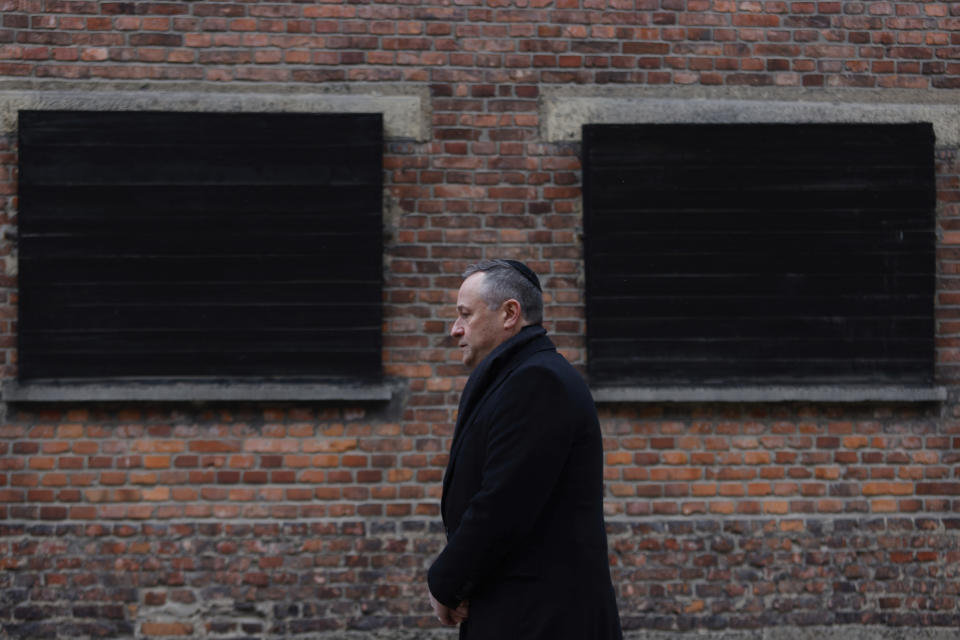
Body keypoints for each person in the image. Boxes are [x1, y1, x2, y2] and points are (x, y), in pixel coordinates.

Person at [427, 259, 622, 639]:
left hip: (542, 619)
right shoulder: (517, 378)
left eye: (465, 314)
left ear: (510, 314)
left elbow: (503, 503)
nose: (455, 330)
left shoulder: (537, 381)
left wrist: (446, 582)